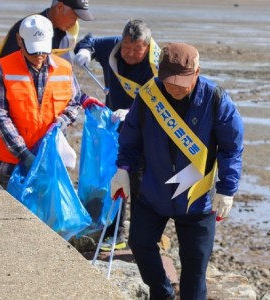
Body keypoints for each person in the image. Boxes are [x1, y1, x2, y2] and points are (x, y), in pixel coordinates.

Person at [110, 43, 244, 300]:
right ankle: (162, 292)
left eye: (182, 82)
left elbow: (231, 147)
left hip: (198, 201)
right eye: (169, 81)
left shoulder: (216, 100)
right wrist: (123, 169)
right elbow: (131, 138)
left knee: (195, 270)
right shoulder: (149, 95)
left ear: (197, 71)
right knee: (139, 242)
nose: (174, 88)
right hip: (154, 192)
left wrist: (227, 189)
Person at [0, 14, 102, 189]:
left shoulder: (64, 68)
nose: (39, 55)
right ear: (19, 40)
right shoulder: (2, 69)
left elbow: (74, 101)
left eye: (43, 49)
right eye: (33, 49)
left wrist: (62, 122)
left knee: (44, 216)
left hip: (50, 162)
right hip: (9, 166)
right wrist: (25, 155)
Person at [72, 19, 160, 250]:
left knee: (138, 182)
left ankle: (144, 236)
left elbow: (161, 102)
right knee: (114, 177)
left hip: (145, 131)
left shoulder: (157, 64)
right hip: (114, 129)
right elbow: (89, 41)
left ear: (147, 47)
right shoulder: (112, 47)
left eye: (137, 50)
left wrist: (132, 111)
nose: (130, 54)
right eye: (127, 48)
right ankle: (115, 230)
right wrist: (84, 51)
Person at [0, 0, 95, 80]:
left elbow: (66, 75)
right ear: (59, 7)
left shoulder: (63, 36)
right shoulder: (26, 28)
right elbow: (2, 70)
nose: (75, 24)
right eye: (74, 17)